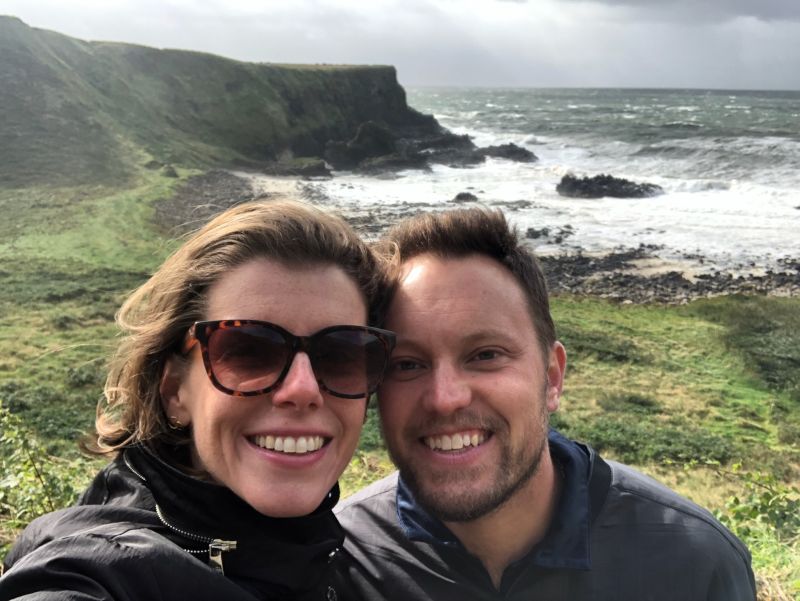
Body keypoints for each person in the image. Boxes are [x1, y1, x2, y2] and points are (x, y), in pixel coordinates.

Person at [335, 208, 756, 600]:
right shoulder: (344, 559)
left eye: (485, 355)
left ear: (552, 377)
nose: (446, 398)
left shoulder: (692, 565)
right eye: (408, 364)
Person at [0, 200, 395, 600]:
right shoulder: (104, 571)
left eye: (342, 354)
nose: (302, 389)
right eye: (248, 350)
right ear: (174, 391)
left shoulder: (342, 562)